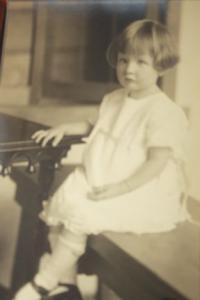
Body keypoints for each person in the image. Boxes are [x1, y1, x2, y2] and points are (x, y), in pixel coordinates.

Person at [13, 19, 190, 300]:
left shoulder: (163, 112)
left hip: (138, 188)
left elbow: (156, 163)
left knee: (80, 213)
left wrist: (122, 188)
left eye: (140, 62)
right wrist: (64, 128)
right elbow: (92, 126)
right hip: (101, 176)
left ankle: (43, 282)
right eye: (123, 60)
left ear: (161, 64)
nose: (129, 69)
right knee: (62, 203)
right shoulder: (115, 99)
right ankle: (67, 282)